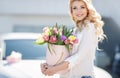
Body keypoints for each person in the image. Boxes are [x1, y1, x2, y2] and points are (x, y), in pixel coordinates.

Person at [41, 0, 105, 78]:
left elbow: (78, 57)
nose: (79, 11)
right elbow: (66, 55)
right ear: (71, 11)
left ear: (88, 9)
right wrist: (48, 66)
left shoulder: (90, 27)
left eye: (82, 7)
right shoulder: (75, 30)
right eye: (75, 8)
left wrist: (54, 69)